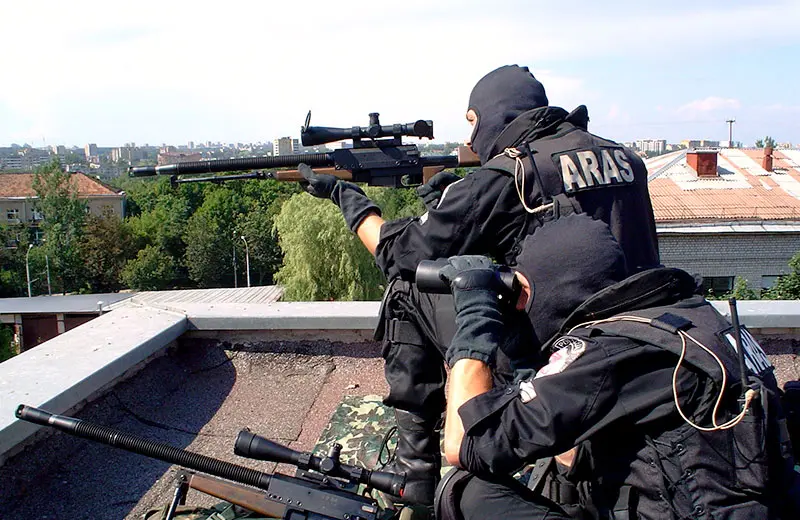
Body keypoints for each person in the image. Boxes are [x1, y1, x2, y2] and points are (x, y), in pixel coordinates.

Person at [297, 64, 660, 507]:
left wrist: (348, 199)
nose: (470, 141)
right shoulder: (626, 158)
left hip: (555, 363)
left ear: (496, 114)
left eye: (473, 122)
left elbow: (398, 254)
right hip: (644, 346)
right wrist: (460, 207)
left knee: (407, 290)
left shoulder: (510, 174)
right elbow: (558, 244)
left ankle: (417, 475)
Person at [431, 213, 800, 519]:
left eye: (526, 292)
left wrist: (476, 317)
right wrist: (522, 347)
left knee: (469, 490)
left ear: (557, 288)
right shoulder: (691, 322)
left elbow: (467, 443)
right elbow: (563, 433)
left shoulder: (617, 351)